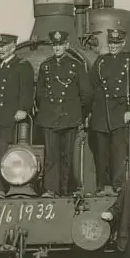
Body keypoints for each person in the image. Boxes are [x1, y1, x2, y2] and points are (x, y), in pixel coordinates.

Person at [34, 29, 90, 197]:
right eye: (55, 45)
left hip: (70, 117)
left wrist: (80, 114)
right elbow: (40, 94)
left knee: (67, 155)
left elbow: (86, 93)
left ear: (66, 45)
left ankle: (66, 190)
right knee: (51, 155)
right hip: (50, 117)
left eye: (60, 45)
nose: (57, 48)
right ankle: (50, 189)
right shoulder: (46, 66)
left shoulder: (76, 66)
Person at [0, 33, 35, 197]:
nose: (0, 50)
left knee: (4, 153)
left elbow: (27, 90)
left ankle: (5, 187)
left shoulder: (22, 65)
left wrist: (23, 108)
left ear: (13, 47)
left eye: (3, 47)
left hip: (8, 118)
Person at [89, 27, 130, 195]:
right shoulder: (101, 62)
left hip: (120, 112)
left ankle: (118, 184)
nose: (113, 46)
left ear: (123, 43)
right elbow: (92, 86)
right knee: (101, 152)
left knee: (119, 151)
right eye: (111, 43)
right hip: (101, 112)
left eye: (117, 43)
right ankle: (102, 185)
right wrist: (90, 112)